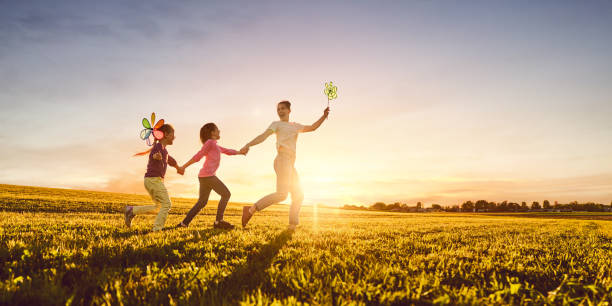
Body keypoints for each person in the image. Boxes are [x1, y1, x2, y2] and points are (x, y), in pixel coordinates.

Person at [240, 101, 329, 229]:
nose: (280, 111)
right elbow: (263, 136)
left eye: (283, 108)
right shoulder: (276, 124)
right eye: (278, 109)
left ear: (289, 111)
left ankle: (292, 226)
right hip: (282, 159)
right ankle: (250, 210)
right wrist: (248, 144)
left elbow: (313, 127)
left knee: (298, 194)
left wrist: (324, 116)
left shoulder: (295, 126)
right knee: (282, 194)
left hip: (290, 163)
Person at [177, 123, 248, 229]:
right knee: (226, 194)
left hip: (204, 176)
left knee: (202, 202)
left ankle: (184, 224)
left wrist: (240, 152)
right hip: (208, 176)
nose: (219, 131)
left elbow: (228, 151)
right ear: (212, 132)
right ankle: (219, 221)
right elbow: (198, 156)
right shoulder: (210, 143)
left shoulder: (214, 144)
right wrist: (184, 166)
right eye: (217, 129)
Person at [124, 124, 182, 231]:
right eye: (172, 134)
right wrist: (156, 156)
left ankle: (131, 211)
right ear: (165, 135)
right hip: (154, 180)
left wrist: (178, 167)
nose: (174, 137)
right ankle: (157, 229)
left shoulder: (164, 150)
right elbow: (155, 154)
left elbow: (170, 160)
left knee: (158, 207)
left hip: (152, 180)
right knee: (167, 204)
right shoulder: (158, 147)